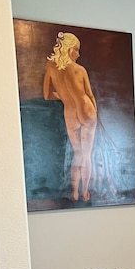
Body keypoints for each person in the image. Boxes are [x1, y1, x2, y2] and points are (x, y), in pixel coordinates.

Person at [43, 32, 97, 202]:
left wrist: (63, 95)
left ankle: (74, 192)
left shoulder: (51, 68)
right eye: (76, 50)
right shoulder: (80, 70)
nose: (78, 54)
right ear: (69, 49)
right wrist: (95, 113)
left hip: (70, 113)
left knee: (77, 154)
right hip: (87, 111)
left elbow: (47, 95)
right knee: (86, 155)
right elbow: (90, 94)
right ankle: (85, 192)